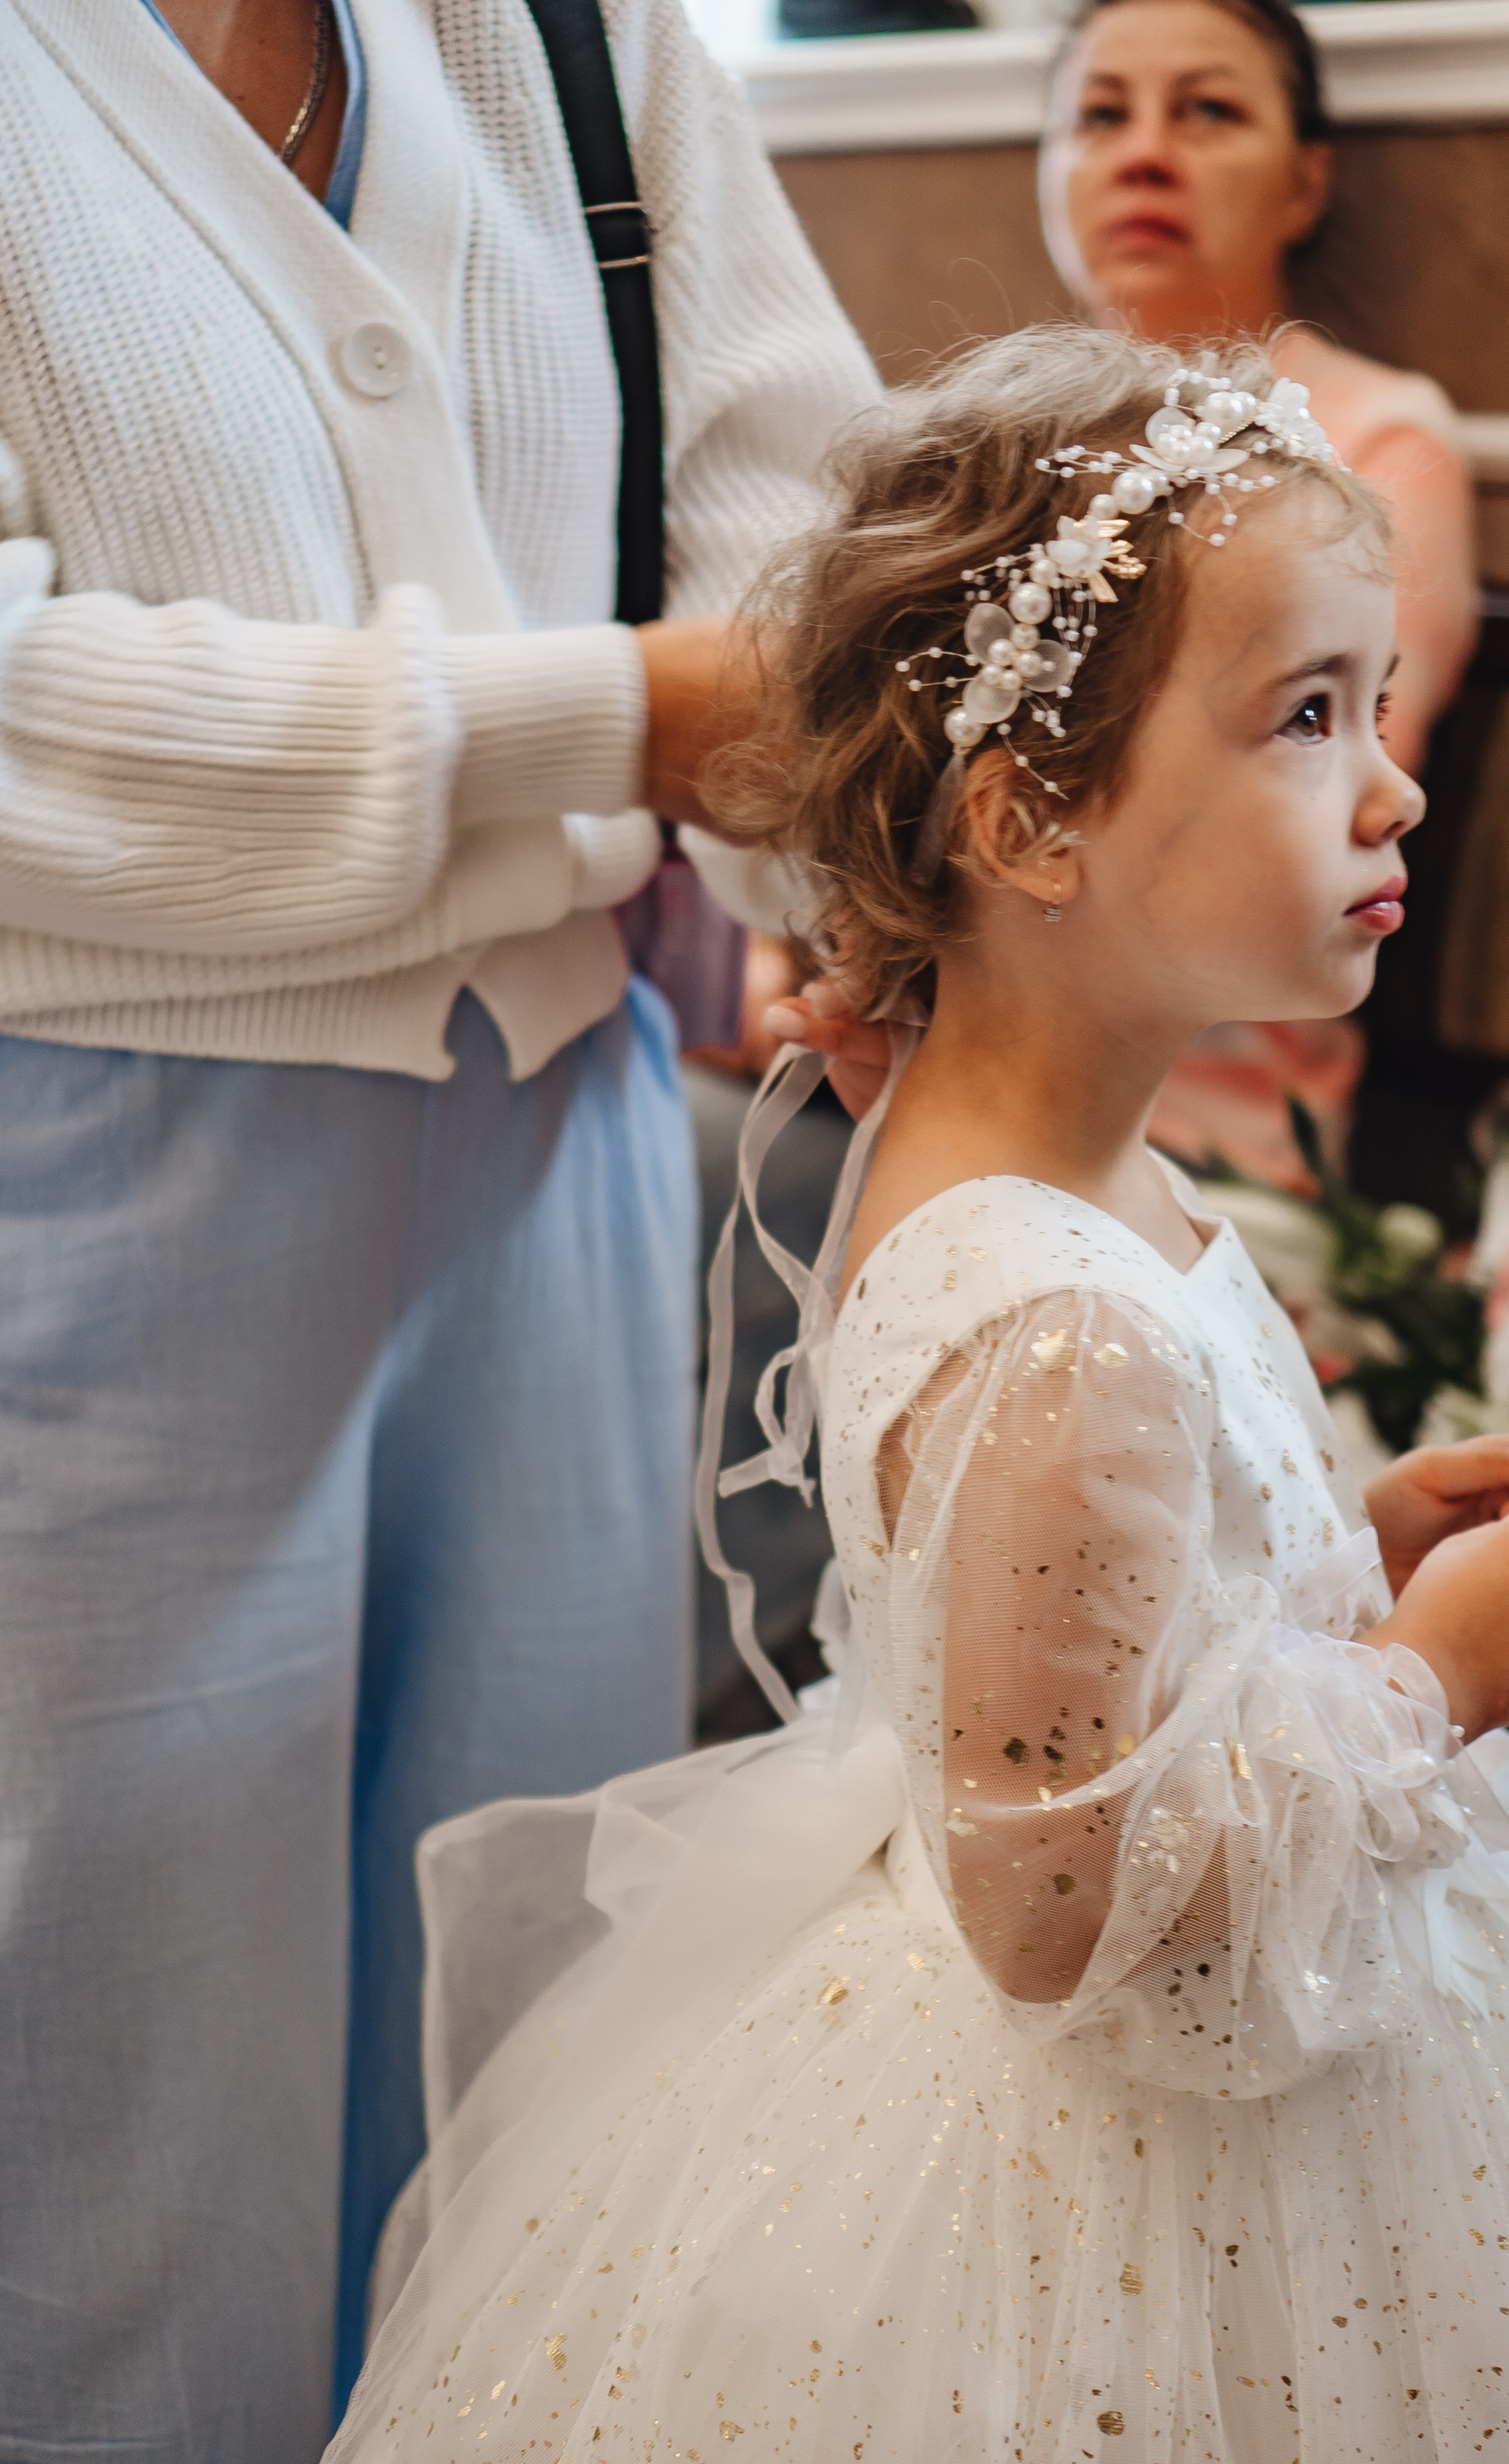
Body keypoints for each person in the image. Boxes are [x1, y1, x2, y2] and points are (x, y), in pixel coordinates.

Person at [325, 330, 1509, 2461]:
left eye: (1375, 705)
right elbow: (1060, 1905)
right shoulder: (1061, 1325)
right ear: (1035, 813)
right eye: (1311, 716)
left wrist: (1334, 1565)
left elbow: (1072, 1649)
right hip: (1132, 2186)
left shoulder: (1051, 1152)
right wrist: (1428, 1678)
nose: (1395, 785)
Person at [0, 1, 875, 2454]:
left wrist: (865, 906)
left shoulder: (582, 33)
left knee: (525, 2050)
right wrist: (590, 723)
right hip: (82, 1184)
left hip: (558, 1136)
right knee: (111, 2125)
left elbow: (800, 527)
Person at [1034, 0, 1478, 1185]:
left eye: (1209, 111)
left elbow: (1306, 794)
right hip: (925, 1060)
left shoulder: (1382, 438)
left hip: (1204, 1132)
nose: (1142, 152)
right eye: (1099, 114)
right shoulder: (1001, 450)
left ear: (1304, 181)